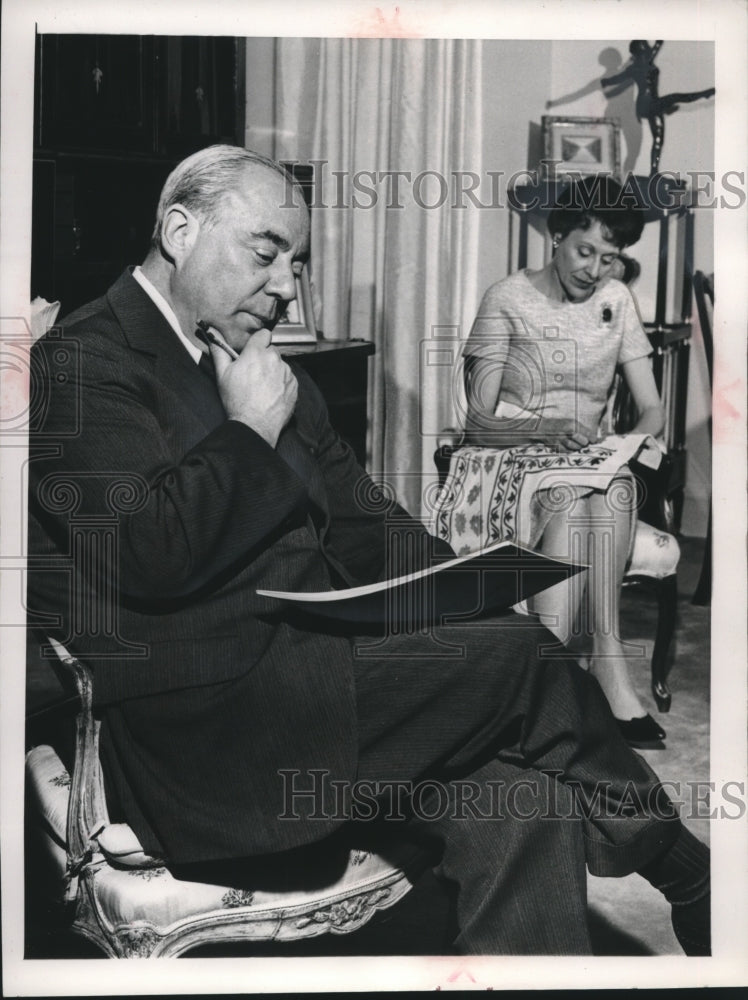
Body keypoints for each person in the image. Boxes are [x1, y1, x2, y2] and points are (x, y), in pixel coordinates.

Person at [27, 145, 709, 956]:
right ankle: (689, 874)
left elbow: (369, 527)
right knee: (525, 655)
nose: (287, 285)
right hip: (214, 739)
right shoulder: (80, 362)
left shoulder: (266, 368)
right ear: (179, 230)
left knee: (527, 800)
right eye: (266, 252)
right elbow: (148, 554)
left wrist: (461, 587)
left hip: (324, 679)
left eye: (299, 261)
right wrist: (248, 432)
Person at [439, 175, 665, 747]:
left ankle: (600, 657)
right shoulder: (507, 298)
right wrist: (546, 427)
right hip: (504, 455)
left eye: (609, 259)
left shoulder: (617, 302)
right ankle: (558, 675)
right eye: (584, 251)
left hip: (586, 460)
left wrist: (631, 443)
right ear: (556, 235)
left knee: (611, 488)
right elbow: (477, 422)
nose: (594, 270)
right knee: (577, 499)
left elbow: (653, 409)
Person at [601, 40, 715, 176]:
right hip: (645, 105)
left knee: (658, 137)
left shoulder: (647, 60)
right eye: (645, 49)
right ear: (639, 53)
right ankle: (704, 94)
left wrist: (659, 41)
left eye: (648, 48)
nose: (649, 50)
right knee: (675, 97)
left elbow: (656, 47)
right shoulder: (634, 68)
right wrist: (606, 81)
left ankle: (654, 172)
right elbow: (618, 79)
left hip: (654, 104)